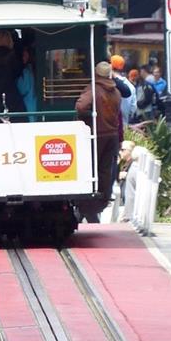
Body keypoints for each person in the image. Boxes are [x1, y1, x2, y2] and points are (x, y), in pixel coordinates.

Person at [76, 62, 121, 223]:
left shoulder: (94, 89)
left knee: (91, 168)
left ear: (96, 73)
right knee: (105, 170)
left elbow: (81, 106)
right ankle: (101, 200)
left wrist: (87, 118)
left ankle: (88, 205)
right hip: (112, 135)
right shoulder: (116, 91)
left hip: (97, 133)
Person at [111, 55, 136, 126]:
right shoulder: (131, 86)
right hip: (125, 125)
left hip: (111, 126)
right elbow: (133, 109)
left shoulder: (109, 83)